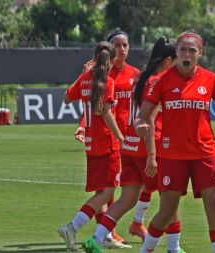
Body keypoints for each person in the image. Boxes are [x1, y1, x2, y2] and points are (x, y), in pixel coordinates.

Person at [135, 29, 215, 253]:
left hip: (205, 153)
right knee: (167, 212)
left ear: (200, 53)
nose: (187, 54)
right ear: (176, 52)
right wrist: (140, 125)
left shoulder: (211, 79)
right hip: (172, 155)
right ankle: (146, 250)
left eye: (192, 50)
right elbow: (142, 115)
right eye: (183, 49)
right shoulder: (161, 80)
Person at [81, 36, 186, 253]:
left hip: (128, 147)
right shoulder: (158, 81)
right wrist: (151, 155)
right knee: (171, 196)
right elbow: (148, 120)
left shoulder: (138, 77)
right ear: (168, 61)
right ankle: (174, 249)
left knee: (126, 199)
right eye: (176, 61)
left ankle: (96, 239)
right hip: (147, 148)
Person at [58, 41, 129, 251]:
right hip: (108, 143)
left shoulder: (84, 79)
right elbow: (106, 112)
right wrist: (122, 138)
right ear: (113, 59)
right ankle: (72, 227)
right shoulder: (108, 81)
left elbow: (66, 98)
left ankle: (104, 235)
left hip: (91, 146)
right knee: (107, 194)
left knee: (101, 191)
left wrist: (82, 74)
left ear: (94, 58)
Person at [74, 30, 141, 244]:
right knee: (107, 187)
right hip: (110, 136)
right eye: (118, 45)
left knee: (128, 184)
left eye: (125, 45)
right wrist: (84, 126)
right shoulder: (103, 75)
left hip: (129, 136)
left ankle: (126, 226)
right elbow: (93, 107)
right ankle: (106, 233)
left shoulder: (135, 74)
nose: (122, 49)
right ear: (111, 51)